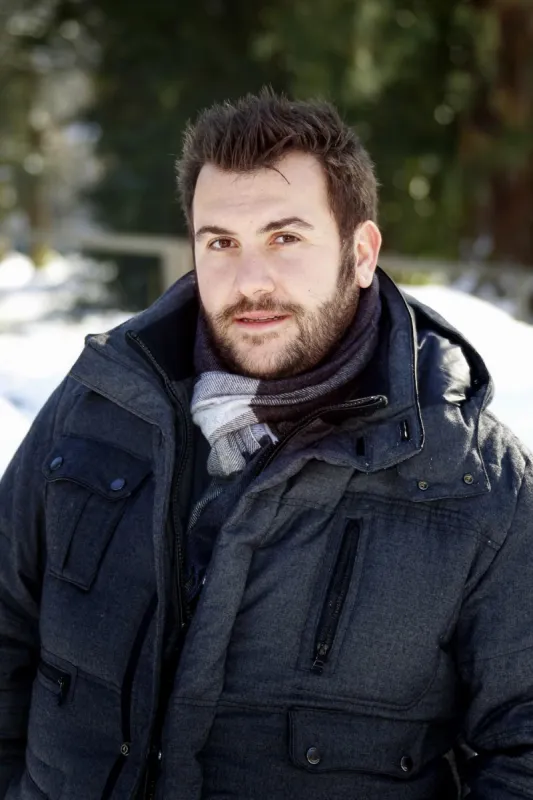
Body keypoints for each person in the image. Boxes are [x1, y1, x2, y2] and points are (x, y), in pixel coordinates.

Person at [1, 90, 532, 800]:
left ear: (360, 253)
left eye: (285, 238)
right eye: (221, 242)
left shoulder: (475, 479)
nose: (249, 281)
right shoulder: (100, 403)